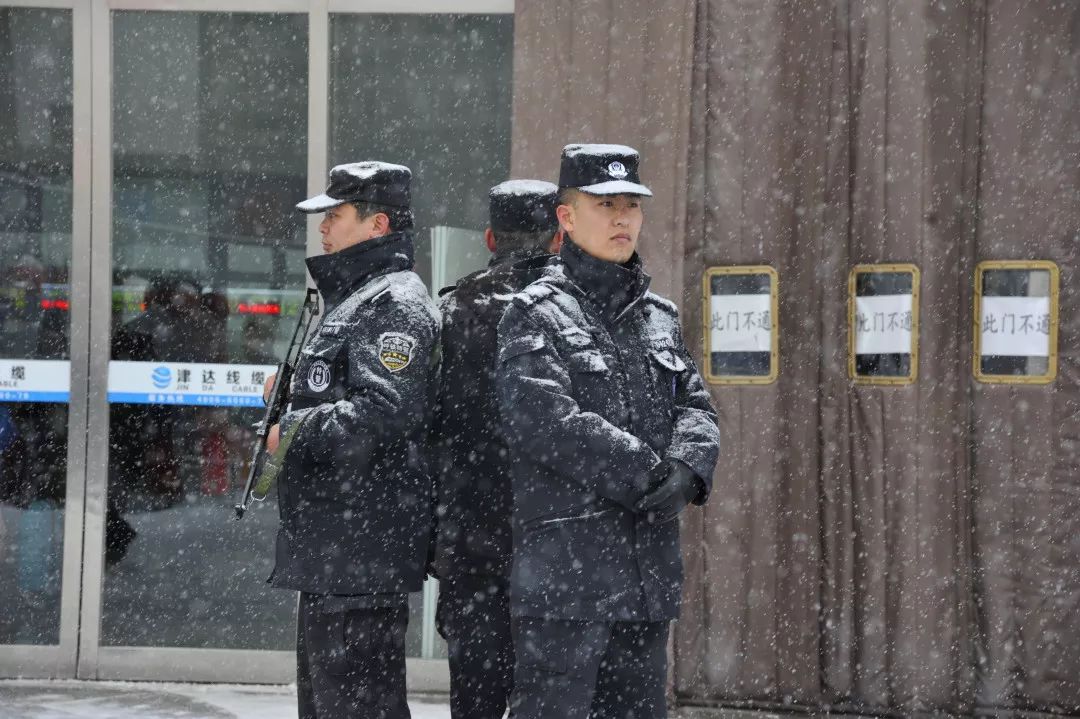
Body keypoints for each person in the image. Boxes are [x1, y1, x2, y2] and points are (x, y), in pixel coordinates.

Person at [495, 144, 721, 718]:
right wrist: (651, 473)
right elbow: (546, 421)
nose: (622, 217)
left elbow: (696, 404)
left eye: (631, 204)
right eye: (604, 204)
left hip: (646, 577)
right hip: (566, 577)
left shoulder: (659, 317)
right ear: (566, 218)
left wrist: (689, 468)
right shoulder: (534, 312)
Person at [264, 161, 440, 719]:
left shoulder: (394, 303)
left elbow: (382, 412)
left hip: (361, 551)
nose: (324, 228)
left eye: (335, 215)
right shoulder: (357, 298)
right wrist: (290, 393)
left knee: (357, 706)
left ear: (377, 225)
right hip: (336, 551)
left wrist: (289, 433)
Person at [431, 180, 563, 719]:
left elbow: (428, 425)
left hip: (471, 535)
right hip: (561, 534)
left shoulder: (453, 310)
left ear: (489, 237)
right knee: (557, 688)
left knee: (476, 689)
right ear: (558, 238)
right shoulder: (578, 312)